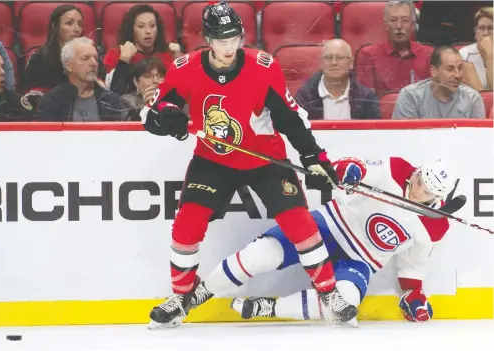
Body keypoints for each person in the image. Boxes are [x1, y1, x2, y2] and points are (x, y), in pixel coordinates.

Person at [141, 1, 357, 329]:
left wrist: (313, 156)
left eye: (233, 39)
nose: (228, 48)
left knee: (298, 222)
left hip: (263, 158)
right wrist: (167, 115)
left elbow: (289, 116)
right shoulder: (186, 68)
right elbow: (155, 111)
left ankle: (328, 293)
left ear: (241, 37)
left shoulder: (262, 66)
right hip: (213, 160)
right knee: (187, 225)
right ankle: (180, 298)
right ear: (208, 41)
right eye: (220, 40)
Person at [188, 157, 458, 326]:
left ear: (437, 198)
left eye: (426, 190)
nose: (417, 187)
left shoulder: (434, 225)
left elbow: (413, 264)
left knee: (346, 302)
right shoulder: (397, 169)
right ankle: (199, 293)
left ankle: (269, 308)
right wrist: (349, 171)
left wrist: (413, 295)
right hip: (330, 224)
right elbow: (355, 167)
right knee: (262, 254)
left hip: (361, 260)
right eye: (420, 179)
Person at [355, 0, 433, 96]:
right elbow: (366, 102)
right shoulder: (368, 55)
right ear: (386, 25)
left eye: (405, 20)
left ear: (413, 25)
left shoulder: (428, 54)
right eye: (393, 20)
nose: (399, 26)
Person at [39, 37, 126, 122]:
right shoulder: (51, 101)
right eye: (85, 58)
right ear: (69, 66)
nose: (93, 63)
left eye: (95, 58)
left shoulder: (112, 101)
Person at [24, 4, 105, 94]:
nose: (77, 29)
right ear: (55, 26)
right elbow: (32, 93)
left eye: (79, 24)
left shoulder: (92, 55)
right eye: (69, 23)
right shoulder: (39, 59)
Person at [103, 4, 182, 95]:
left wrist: (179, 61)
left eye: (152, 25)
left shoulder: (170, 53)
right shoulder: (116, 55)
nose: (148, 31)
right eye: (141, 26)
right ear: (131, 29)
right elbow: (114, 93)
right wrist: (124, 60)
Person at [295, 39, 381, 120]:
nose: (333, 63)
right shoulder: (304, 97)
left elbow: (373, 134)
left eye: (340, 57)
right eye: (328, 57)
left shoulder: (366, 98)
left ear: (351, 63)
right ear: (321, 63)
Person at [392, 46, 486, 119]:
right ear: (434, 71)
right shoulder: (410, 96)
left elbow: (478, 141)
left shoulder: (473, 98)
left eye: (460, 68)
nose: (457, 75)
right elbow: (405, 139)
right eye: (450, 69)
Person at [121, 57, 167, 121]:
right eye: (148, 76)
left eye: (160, 76)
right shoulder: (127, 101)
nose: (156, 81)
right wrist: (147, 106)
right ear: (136, 82)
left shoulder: (175, 101)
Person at [459, 7, 493, 90]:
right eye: (481, 28)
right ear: (475, 31)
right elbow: (480, 96)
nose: (485, 33)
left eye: (491, 28)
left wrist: (490, 56)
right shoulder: (464, 55)